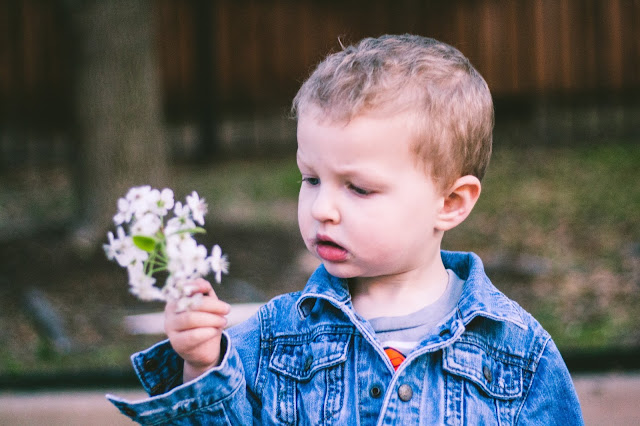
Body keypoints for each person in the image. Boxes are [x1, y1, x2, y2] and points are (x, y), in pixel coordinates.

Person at [108, 34, 584, 424]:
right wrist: (200, 364)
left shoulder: (519, 355)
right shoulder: (275, 340)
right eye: (311, 179)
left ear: (451, 202)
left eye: (357, 188)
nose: (323, 209)